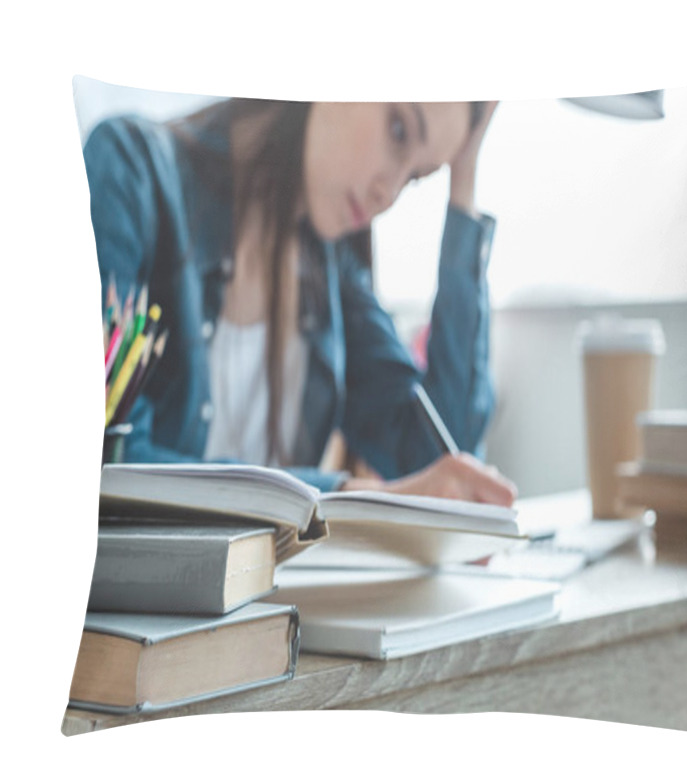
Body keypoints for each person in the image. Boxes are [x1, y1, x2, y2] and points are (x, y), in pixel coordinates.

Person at [85, 96, 516, 505]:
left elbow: (443, 459)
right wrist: (341, 498)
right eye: (399, 130)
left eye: (417, 176)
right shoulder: (128, 173)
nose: (389, 194)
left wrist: (465, 183)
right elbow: (112, 461)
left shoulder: (332, 272)